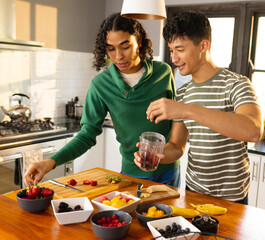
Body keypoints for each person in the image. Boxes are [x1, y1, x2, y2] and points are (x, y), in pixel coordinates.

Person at [24, 13, 180, 189]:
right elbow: (86, 135)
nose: (118, 56)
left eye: (125, 46)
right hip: (131, 174)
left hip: (169, 171)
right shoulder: (101, 85)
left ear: (140, 40)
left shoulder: (164, 73)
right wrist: (51, 162)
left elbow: (177, 120)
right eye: (110, 49)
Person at [134, 11, 263, 204]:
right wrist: (156, 156)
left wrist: (186, 110)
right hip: (194, 194)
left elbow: (253, 130)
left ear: (203, 46)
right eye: (171, 50)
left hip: (233, 199)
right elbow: (177, 147)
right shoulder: (184, 92)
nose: (174, 58)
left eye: (180, 49)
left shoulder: (236, 84)